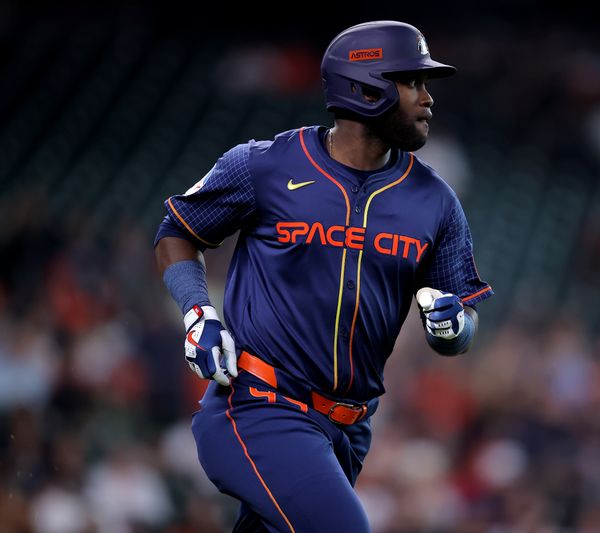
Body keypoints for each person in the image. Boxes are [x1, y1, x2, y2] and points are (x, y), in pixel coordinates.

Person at [154, 20, 492, 532]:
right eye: (412, 82)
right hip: (257, 408)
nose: (427, 98)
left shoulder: (436, 202)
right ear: (366, 85)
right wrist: (199, 314)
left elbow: (460, 324)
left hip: (347, 434)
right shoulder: (262, 166)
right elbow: (177, 231)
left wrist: (454, 327)